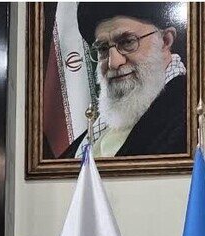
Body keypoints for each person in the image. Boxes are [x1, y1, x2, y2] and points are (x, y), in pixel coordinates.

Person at [64, 3, 187, 158]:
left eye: (127, 42)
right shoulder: (103, 125)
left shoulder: (189, 115)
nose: (113, 63)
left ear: (165, 41)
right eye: (103, 49)